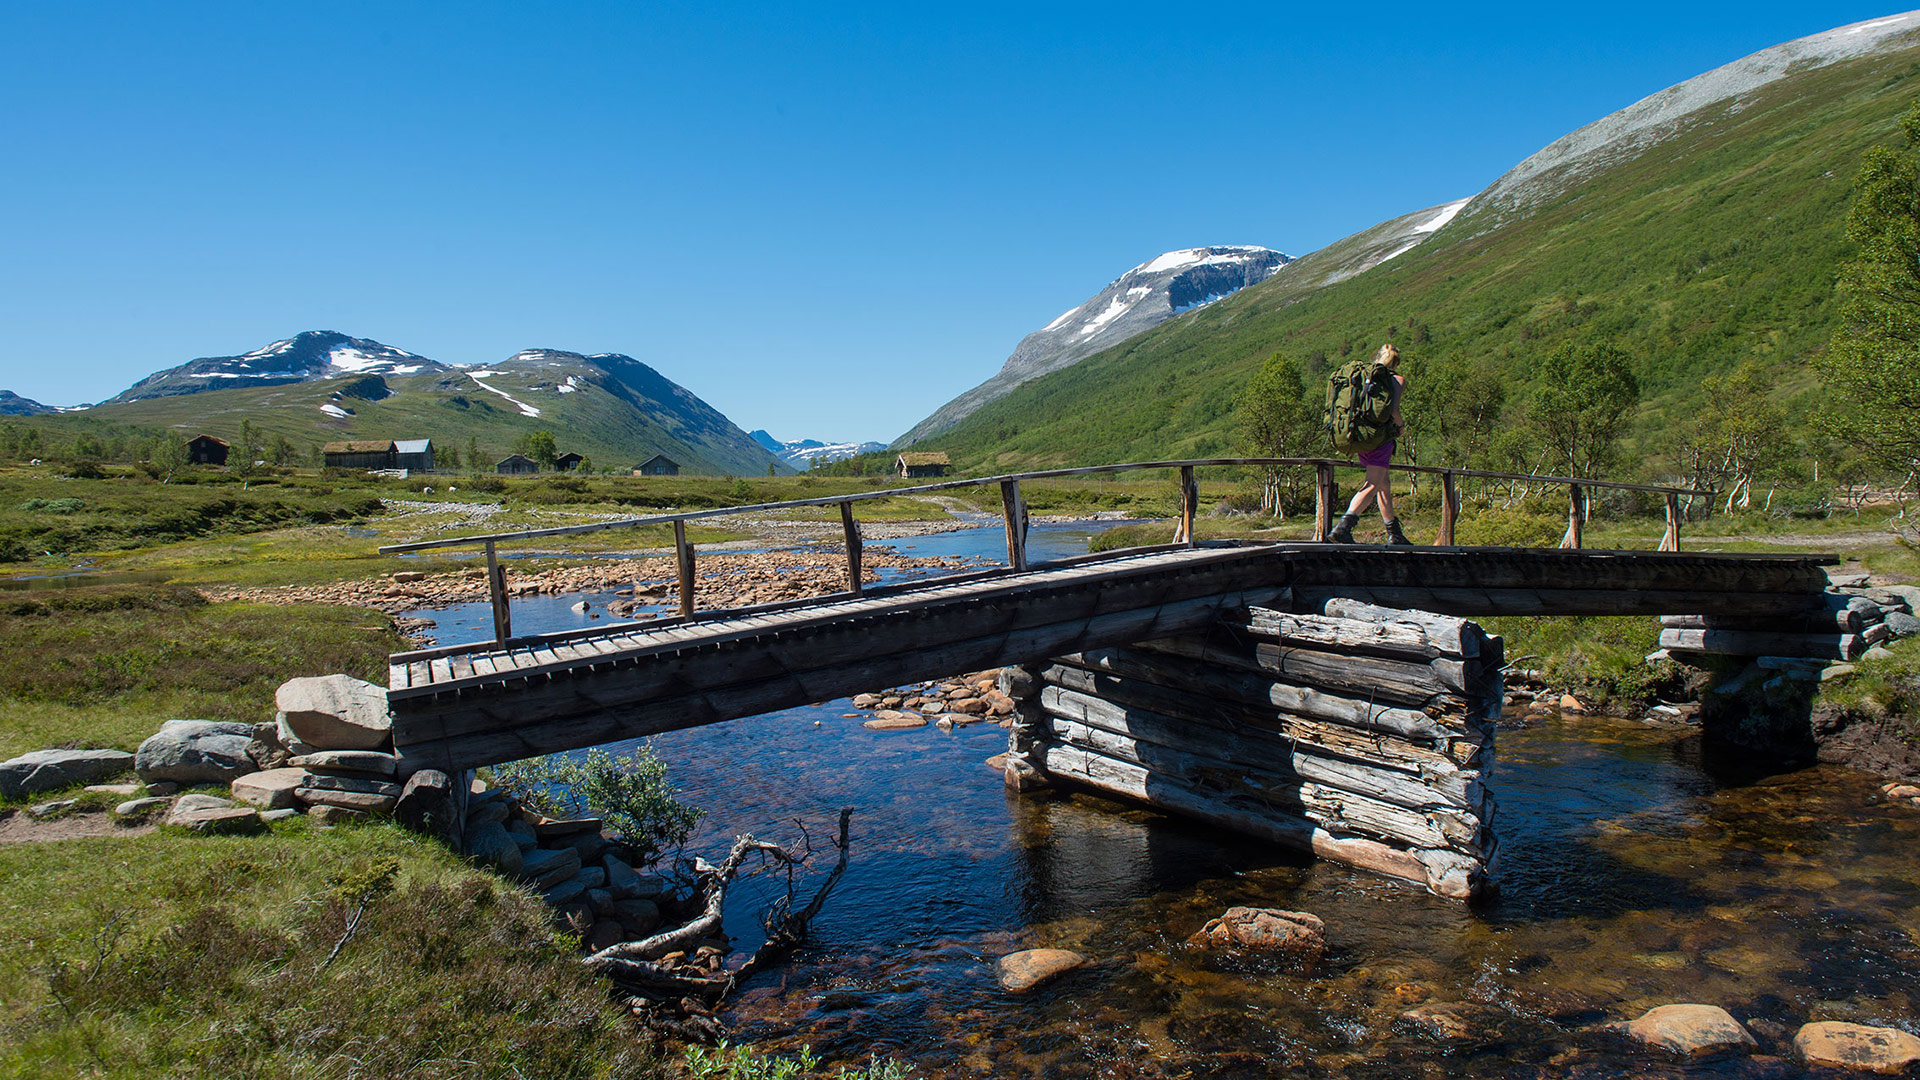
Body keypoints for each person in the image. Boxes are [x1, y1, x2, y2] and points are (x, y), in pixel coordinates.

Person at [1329, 343, 1410, 545]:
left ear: (1377, 357)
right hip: (1379, 439)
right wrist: (1401, 427)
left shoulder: (1364, 375)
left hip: (1359, 434)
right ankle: (1344, 527)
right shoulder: (1397, 380)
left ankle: (1394, 532)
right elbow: (1394, 411)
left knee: (1383, 483)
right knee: (1372, 483)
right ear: (1397, 362)